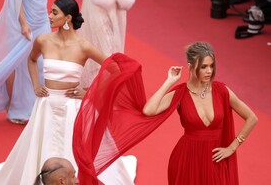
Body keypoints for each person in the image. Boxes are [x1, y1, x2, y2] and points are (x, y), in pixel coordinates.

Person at [0, 0, 136, 185]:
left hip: (73, 108)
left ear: (67, 18)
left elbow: (114, 69)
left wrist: (90, 92)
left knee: (72, 148)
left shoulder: (83, 46)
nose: (49, 16)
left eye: (54, 12)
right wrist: (36, 84)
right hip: (46, 105)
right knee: (40, 146)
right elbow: (32, 60)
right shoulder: (43, 40)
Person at [72, 41, 258, 184]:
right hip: (187, 159)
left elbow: (251, 117)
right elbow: (148, 110)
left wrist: (232, 147)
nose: (209, 71)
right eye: (204, 67)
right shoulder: (180, 93)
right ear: (191, 66)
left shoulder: (222, 90)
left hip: (216, 159)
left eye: (211, 66)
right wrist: (169, 81)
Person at [0, 0, 74, 124]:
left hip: (41, 18)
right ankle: (14, 107)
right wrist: (23, 24)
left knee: (41, 62)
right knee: (16, 64)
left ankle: (36, 106)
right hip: (22, 21)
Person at [74, 0, 136, 88]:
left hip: (116, 1)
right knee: (99, 42)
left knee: (113, 44)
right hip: (95, 3)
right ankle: (92, 88)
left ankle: (103, 89)